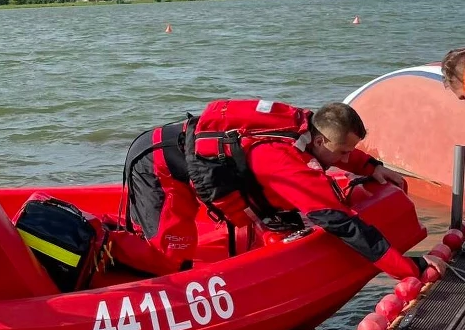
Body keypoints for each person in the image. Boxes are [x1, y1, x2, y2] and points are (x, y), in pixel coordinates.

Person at [123, 98, 427, 280]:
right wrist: (408, 268)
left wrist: (372, 166)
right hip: (156, 164)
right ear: (320, 141)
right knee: (170, 259)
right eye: (343, 154)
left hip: (185, 153)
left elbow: (338, 149)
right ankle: (110, 250)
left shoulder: (310, 124)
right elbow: (343, 224)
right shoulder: (285, 161)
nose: (346, 160)